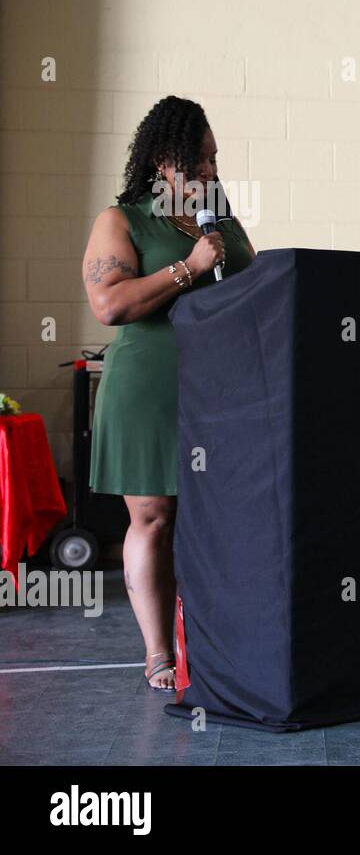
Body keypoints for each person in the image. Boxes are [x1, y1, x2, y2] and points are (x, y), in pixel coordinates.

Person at [82, 96, 257, 691]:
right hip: (148, 388)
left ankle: (218, 639)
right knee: (155, 517)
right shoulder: (122, 218)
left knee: (221, 516)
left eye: (213, 159)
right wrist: (188, 267)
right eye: (198, 159)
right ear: (162, 159)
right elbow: (109, 304)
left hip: (221, 387)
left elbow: (254, 291)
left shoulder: (222, 219)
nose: (210, 171)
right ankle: (159, 654)